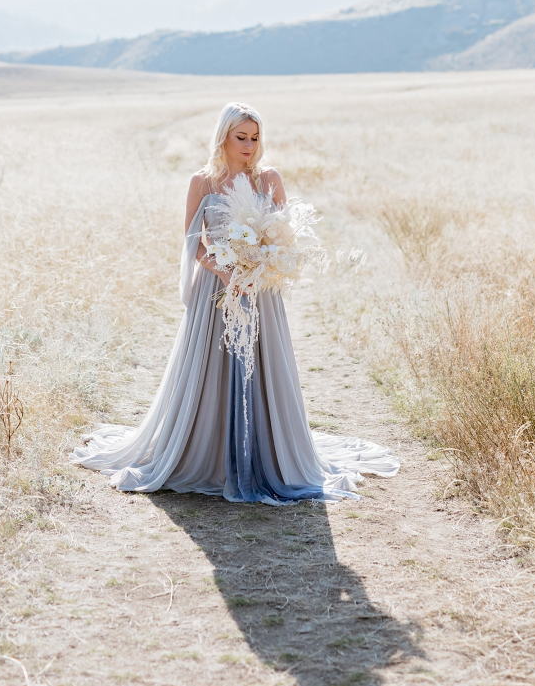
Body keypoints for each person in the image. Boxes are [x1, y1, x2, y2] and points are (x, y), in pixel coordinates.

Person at [71, 103, 399, 504]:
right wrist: (226, 272)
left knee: (263, 369)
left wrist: (261, 266)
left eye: (255, 137)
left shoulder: (269, 179)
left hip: (261, 292)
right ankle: (207, 453)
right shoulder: (202, 182)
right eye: (240, 137)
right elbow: (194, 244)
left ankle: (267, 453)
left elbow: (283, 239)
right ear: (223, 137)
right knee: (211, 368)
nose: (248, 145)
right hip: (218, 290)